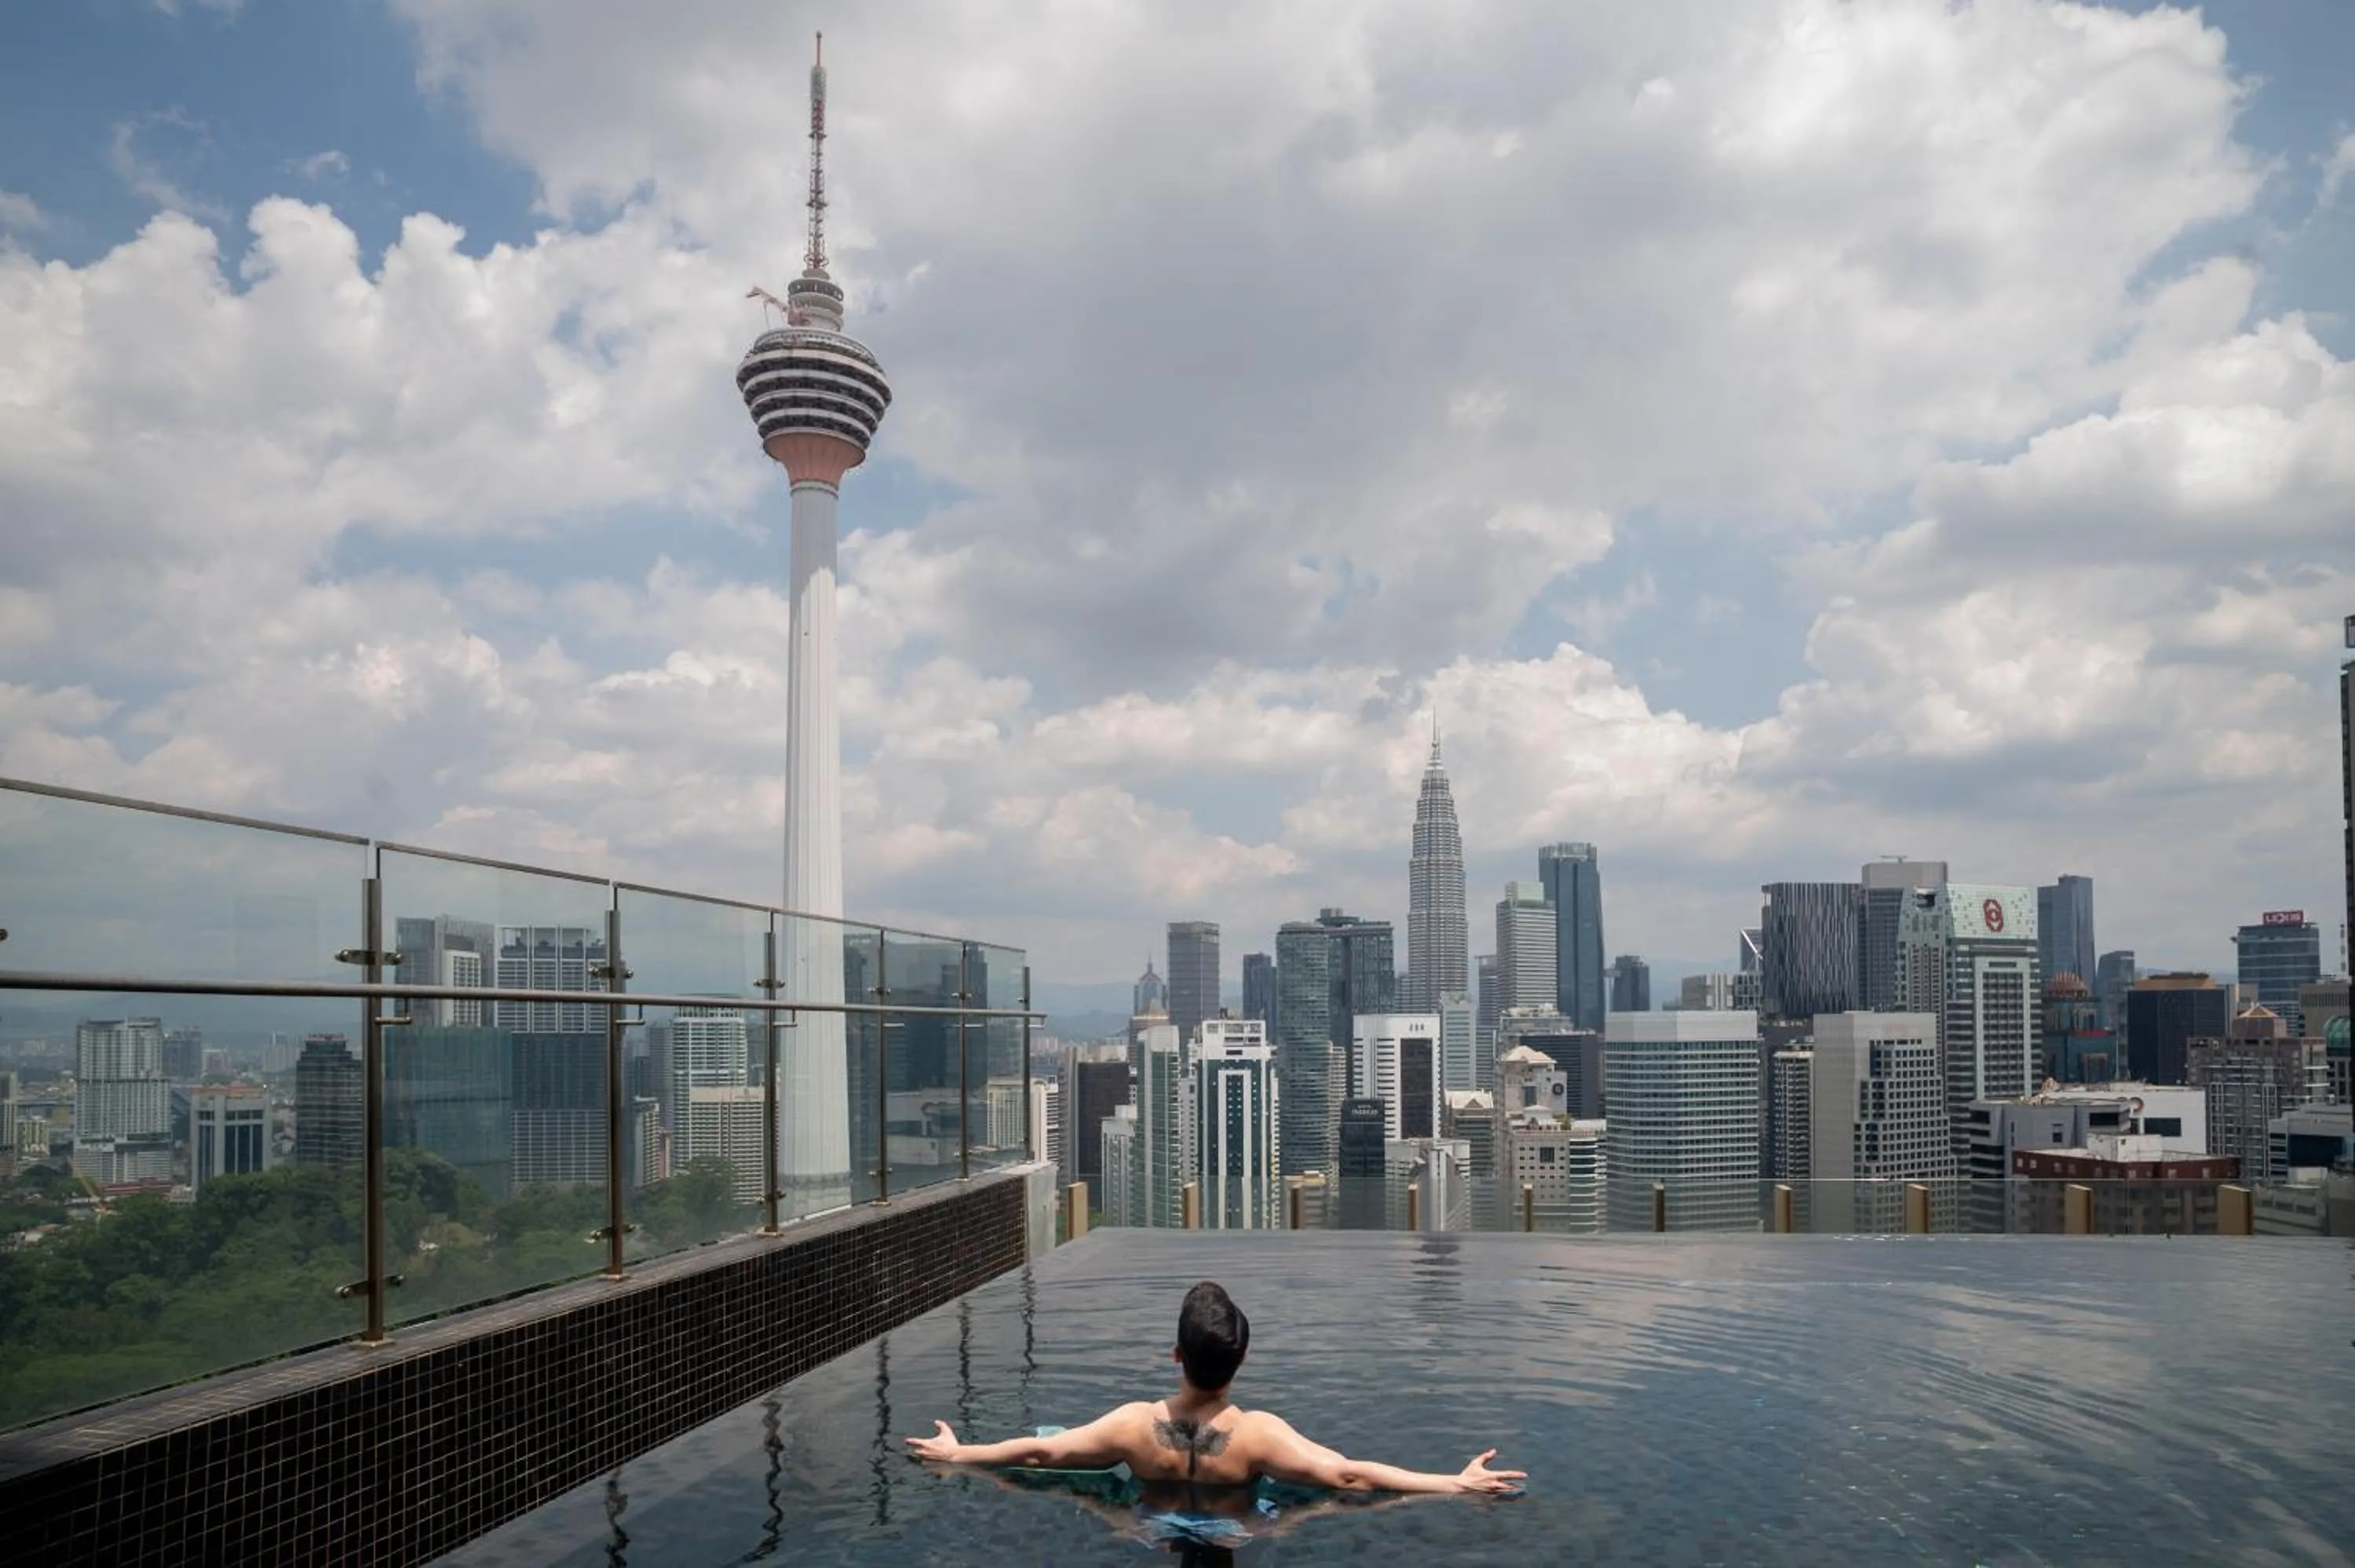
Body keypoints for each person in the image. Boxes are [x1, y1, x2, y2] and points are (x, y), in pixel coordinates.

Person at [905, 1280, 1524, 1497]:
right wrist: (1456, 1482)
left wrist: (958, 1453)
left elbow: (1043, 1453)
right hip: (1238, 1528)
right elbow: (1349, 1476)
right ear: (1242, 1359)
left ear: (1176, 1355)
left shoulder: (1133, 1426)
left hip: (1150, 1527)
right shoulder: (1257, 1436)